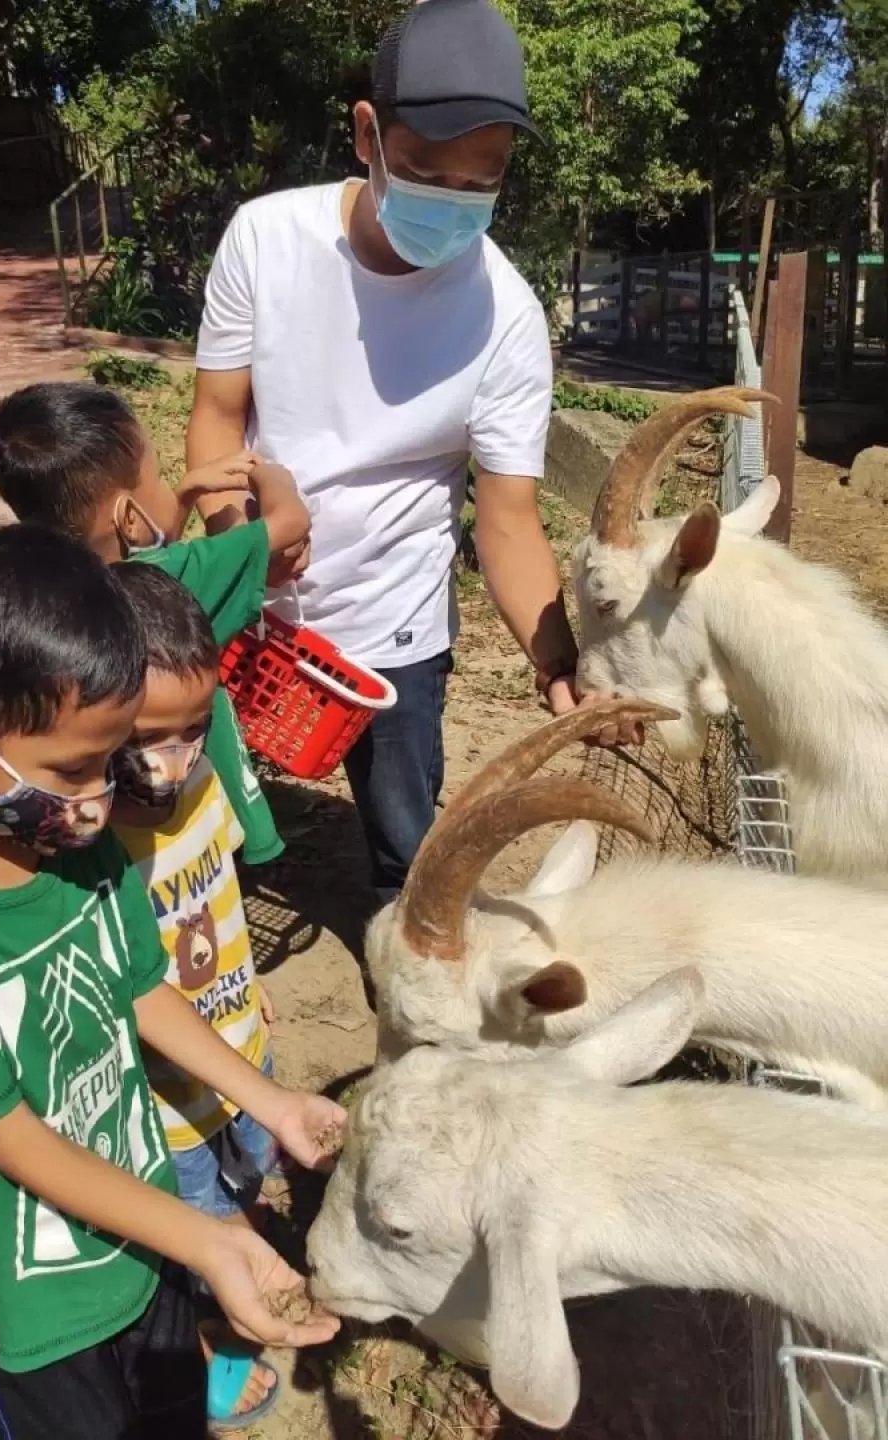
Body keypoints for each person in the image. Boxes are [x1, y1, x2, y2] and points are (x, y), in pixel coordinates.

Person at [0, 526, 342, 1440]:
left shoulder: (72, 843)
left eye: (109, 761)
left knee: (173, 1418)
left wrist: (271, 1103)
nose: (101, 797)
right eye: (73, 768)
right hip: (30, 1309)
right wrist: (210, 1238)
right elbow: (11, 1138)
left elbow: (140, 988)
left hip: (144, 1235)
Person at [186, 0, 640, 907]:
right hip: (250, 599)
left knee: (408, 851)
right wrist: (241, 549)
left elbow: (508, 522)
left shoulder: (506, 317)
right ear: (367, 134)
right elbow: (214, 417)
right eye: (430, 172)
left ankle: (407, 996)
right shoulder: (266, 240)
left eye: (484, 183)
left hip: (398, 629)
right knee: (211, 835)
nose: (455, 204)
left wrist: (561, 667)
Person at [0, 380, 312, 871]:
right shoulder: (175, 576)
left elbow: (138, 549)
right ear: (128, 518)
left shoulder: (46, 599)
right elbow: (288, 523)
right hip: (191, 804)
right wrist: (274, 477)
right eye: (159, 478)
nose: (170, 485)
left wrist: (181, 495)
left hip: (106, 821)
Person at [110, 563, 289, 1429]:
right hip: (161, 1101)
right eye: (148, 735)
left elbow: (220, 900)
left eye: (193, 729)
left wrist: (249, 989)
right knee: (188, 1231)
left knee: (250, 1179)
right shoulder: (93, 849)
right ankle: (212, 1333)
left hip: (242, 1049)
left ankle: (245, 1255)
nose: (173, 758)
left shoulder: (206, 790)